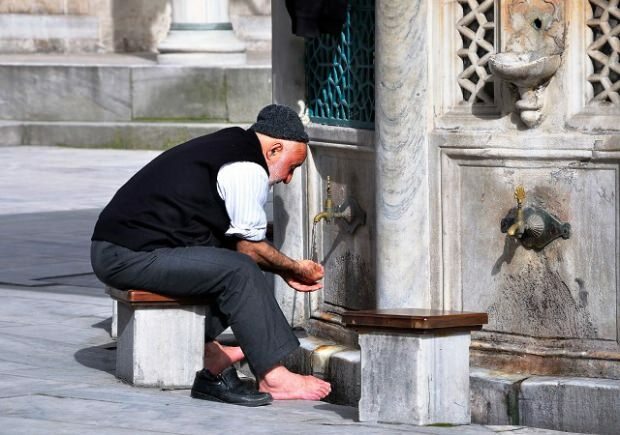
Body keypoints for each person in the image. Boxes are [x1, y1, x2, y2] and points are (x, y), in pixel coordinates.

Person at [90, 104, 331, 406]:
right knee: (238, 269)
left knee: (223, 259)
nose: (288, 179)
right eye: (291, 167)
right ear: (274, 150)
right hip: (126, 255)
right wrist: (292, 267)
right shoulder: (247, 166)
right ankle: (274, 377)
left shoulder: (229, 146)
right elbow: (249, 248)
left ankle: (208, 350)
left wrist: (282, 269)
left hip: (123, 249)